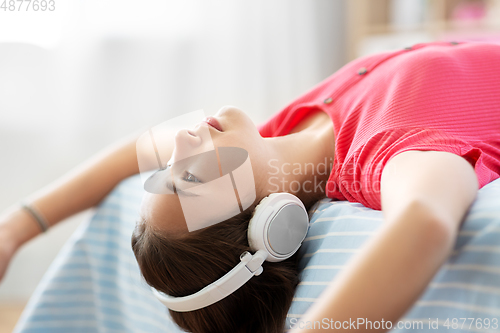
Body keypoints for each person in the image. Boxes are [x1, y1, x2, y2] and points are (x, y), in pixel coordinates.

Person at [1, 40, 499, 333]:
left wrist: (17, 229)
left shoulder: (292, 125)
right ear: (269, 223)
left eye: (166, 170)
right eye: (188, 178)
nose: (179, 140)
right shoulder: (385, 152)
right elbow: (425, 222)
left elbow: (140, 148)